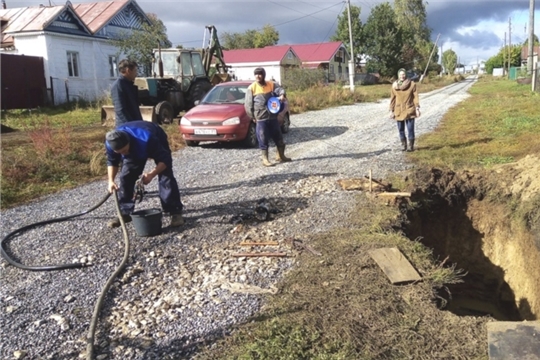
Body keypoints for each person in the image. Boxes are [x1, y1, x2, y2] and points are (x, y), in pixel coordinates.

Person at [105, 121, 184, 228]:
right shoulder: (110, 144)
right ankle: (125, 213)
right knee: (126, 176)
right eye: (119, 152)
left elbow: (165, 160)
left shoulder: (148, 139)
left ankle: (174, 211)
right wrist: (111, 181)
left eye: (124, 150)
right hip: (135, 148)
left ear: (129, 142)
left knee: (166, 176)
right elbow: (112, 162)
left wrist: (152, 174)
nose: (122, 154)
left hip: (154, 136)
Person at [244, 67, 291, 166]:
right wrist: (252, 116)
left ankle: (281, 156)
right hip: (261, 118)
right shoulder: (251, 88)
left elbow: (280, 89)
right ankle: (265, 159)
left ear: (263, 75)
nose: (258, 76)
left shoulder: (271, 84)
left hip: (273, 117)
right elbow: (248, 105)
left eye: (260, 74)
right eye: (256, 74)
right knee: (263, 138)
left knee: (278, 136)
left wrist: (282, 94)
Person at [389, 68, 420, 152]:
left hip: (409, 109)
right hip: (398, 110)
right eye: (400, 74)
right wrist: (391, 111)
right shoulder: (394, 86)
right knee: (401, 129)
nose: (402, 76)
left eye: (403, 74)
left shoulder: (412, 84)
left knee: (410, 129)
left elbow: (415, 97)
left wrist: (417, 108)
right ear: (398, 75)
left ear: (405, 74)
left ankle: (411, 146)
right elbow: (393, 99)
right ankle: (404, 145)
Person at [111, 59, 143, 126]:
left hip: (134, 124)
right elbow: (120, 110)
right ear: (128, 70)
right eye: (135, 70)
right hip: (126, 127)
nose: (136, 73)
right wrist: (131, 126)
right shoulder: (118, 85)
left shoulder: (128, 84)